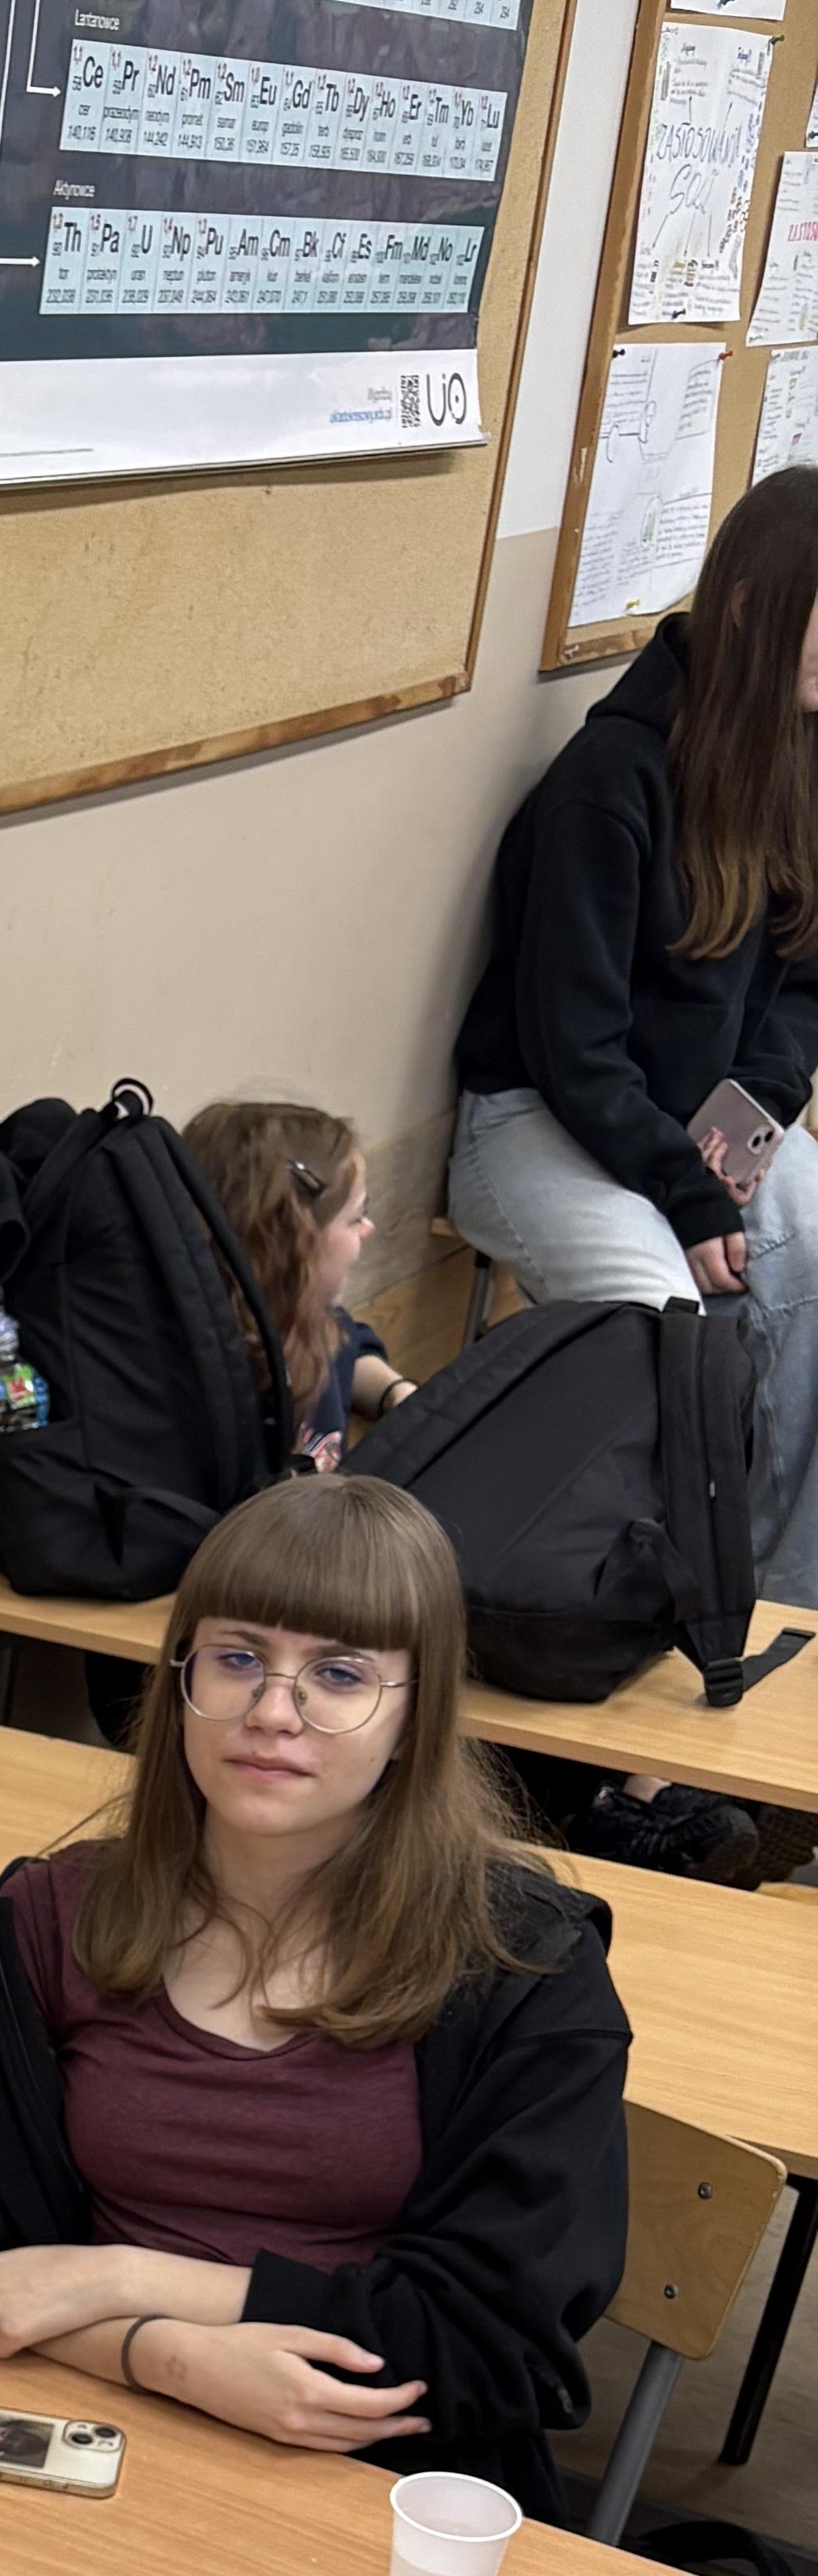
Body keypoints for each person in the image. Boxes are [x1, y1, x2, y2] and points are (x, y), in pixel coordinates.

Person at [0, 1477, 630, 2516]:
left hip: (369, 2481)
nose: (272, 1713)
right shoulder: (36, 1921)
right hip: (68, 2425)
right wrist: (165, 2358)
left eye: (340, 1675)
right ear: (181, 1679)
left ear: (416, 1717)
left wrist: (128, 2279)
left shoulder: (524, 1966)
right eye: (236, 1658)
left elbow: (496, 2345)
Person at [453, 464, 818, 1715]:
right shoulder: (609, 778)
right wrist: (691, 1194)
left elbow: (801, 990)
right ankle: (636, 1688)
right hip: (539, 1123)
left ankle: (774, 1624)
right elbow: (574, 1051)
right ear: (758, 608)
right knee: (678, 1340)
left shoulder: (799, 757)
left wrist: (747, 1127)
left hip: (691, 1128)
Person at [180, 1097, 413, 1470]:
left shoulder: (310, 1314)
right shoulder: (223, 1394)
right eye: (356, 1218)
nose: (369, 1229)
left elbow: (347, 1347)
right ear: (293, 1247)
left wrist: (393, 1393)